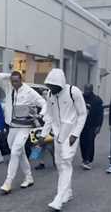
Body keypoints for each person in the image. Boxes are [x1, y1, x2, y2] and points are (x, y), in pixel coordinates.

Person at [39, 68, 87, 212]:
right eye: (49, 86)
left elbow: (83, 114)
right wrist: (43, 134)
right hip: (58, 134)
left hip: (70, 134)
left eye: (53, 86)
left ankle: (59, 198)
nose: (50, 89)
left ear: (60, 84)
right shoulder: (50, 94)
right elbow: (49, 116)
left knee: (66, 162)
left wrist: (76, 133)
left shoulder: (74, 92)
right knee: (60, 164)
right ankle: (68, 192)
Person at [0, 71, 46, 194]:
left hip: (25, 126)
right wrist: (10, 76)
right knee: (20, 152)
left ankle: (8, 182)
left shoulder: (29, 91)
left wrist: (40, 115)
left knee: (14, 152)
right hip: (12, 126)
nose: (14, 83)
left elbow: (43, 103)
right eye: (12, 81)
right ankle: (29, 177)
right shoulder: (9, 88)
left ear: (21, 80)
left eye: (16, 81)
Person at [80, 84, 104, 170]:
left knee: (90, 142)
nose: (86, 91)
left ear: (91, 90)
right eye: (85, 89)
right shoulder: (81, 98)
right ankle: (84, 158)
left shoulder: (97, 100)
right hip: (82, 125)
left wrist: (99, 126)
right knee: (82, 142)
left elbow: (100, 115)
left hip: (93, 125)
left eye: (88, 89)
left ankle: (88, 160)